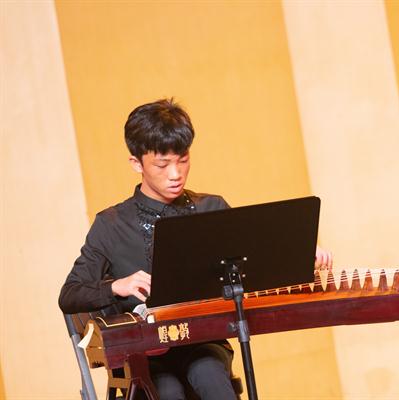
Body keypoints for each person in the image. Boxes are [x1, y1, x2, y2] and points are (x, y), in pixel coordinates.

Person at [59, 98, 332, 400]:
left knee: (208, 374)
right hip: (143, 351)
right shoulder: (112, 225)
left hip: (204, 342)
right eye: (162, 164)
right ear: (136, 163)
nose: (175, 173)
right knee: (167, 390)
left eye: (183, 160)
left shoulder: (210, 208)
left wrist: (299, 253)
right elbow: (70, 294)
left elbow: (253, 259)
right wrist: (116, 286)